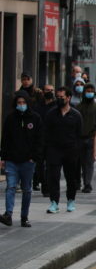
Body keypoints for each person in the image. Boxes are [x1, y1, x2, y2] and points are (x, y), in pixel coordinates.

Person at [0, 94, 43, 227]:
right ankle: (8, 214)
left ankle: (24, 216)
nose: (21, 104)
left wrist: (34, 157)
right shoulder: (10, 118)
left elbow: (40, 139)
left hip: (27, 161)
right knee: (11, 186)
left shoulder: (35, 118)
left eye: (24, 102)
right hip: (12, 161)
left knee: (27, 189)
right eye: (19, 102)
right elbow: (5, 139)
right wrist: (3, 157)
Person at [43, 87, 83, 214]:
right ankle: (54, 202)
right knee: (53, 177)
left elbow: (79, 135)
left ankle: (71, 200)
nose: (59, 99)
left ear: (68, 98)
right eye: (58, 97)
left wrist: (77, 151)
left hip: (70, 150)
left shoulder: (76, 115)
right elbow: (46, 133)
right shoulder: (50, 114)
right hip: (54, 150)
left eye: (62, 97)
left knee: (70, 177)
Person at [76, 82, 96, 193]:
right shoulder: (78, 107)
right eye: (88, 91)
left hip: (91, 137)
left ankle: (87, 183)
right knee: (78, 162)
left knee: (89, 163)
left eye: (92, 91)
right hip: (79, 138)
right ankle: (77, 182)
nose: (90, 93)